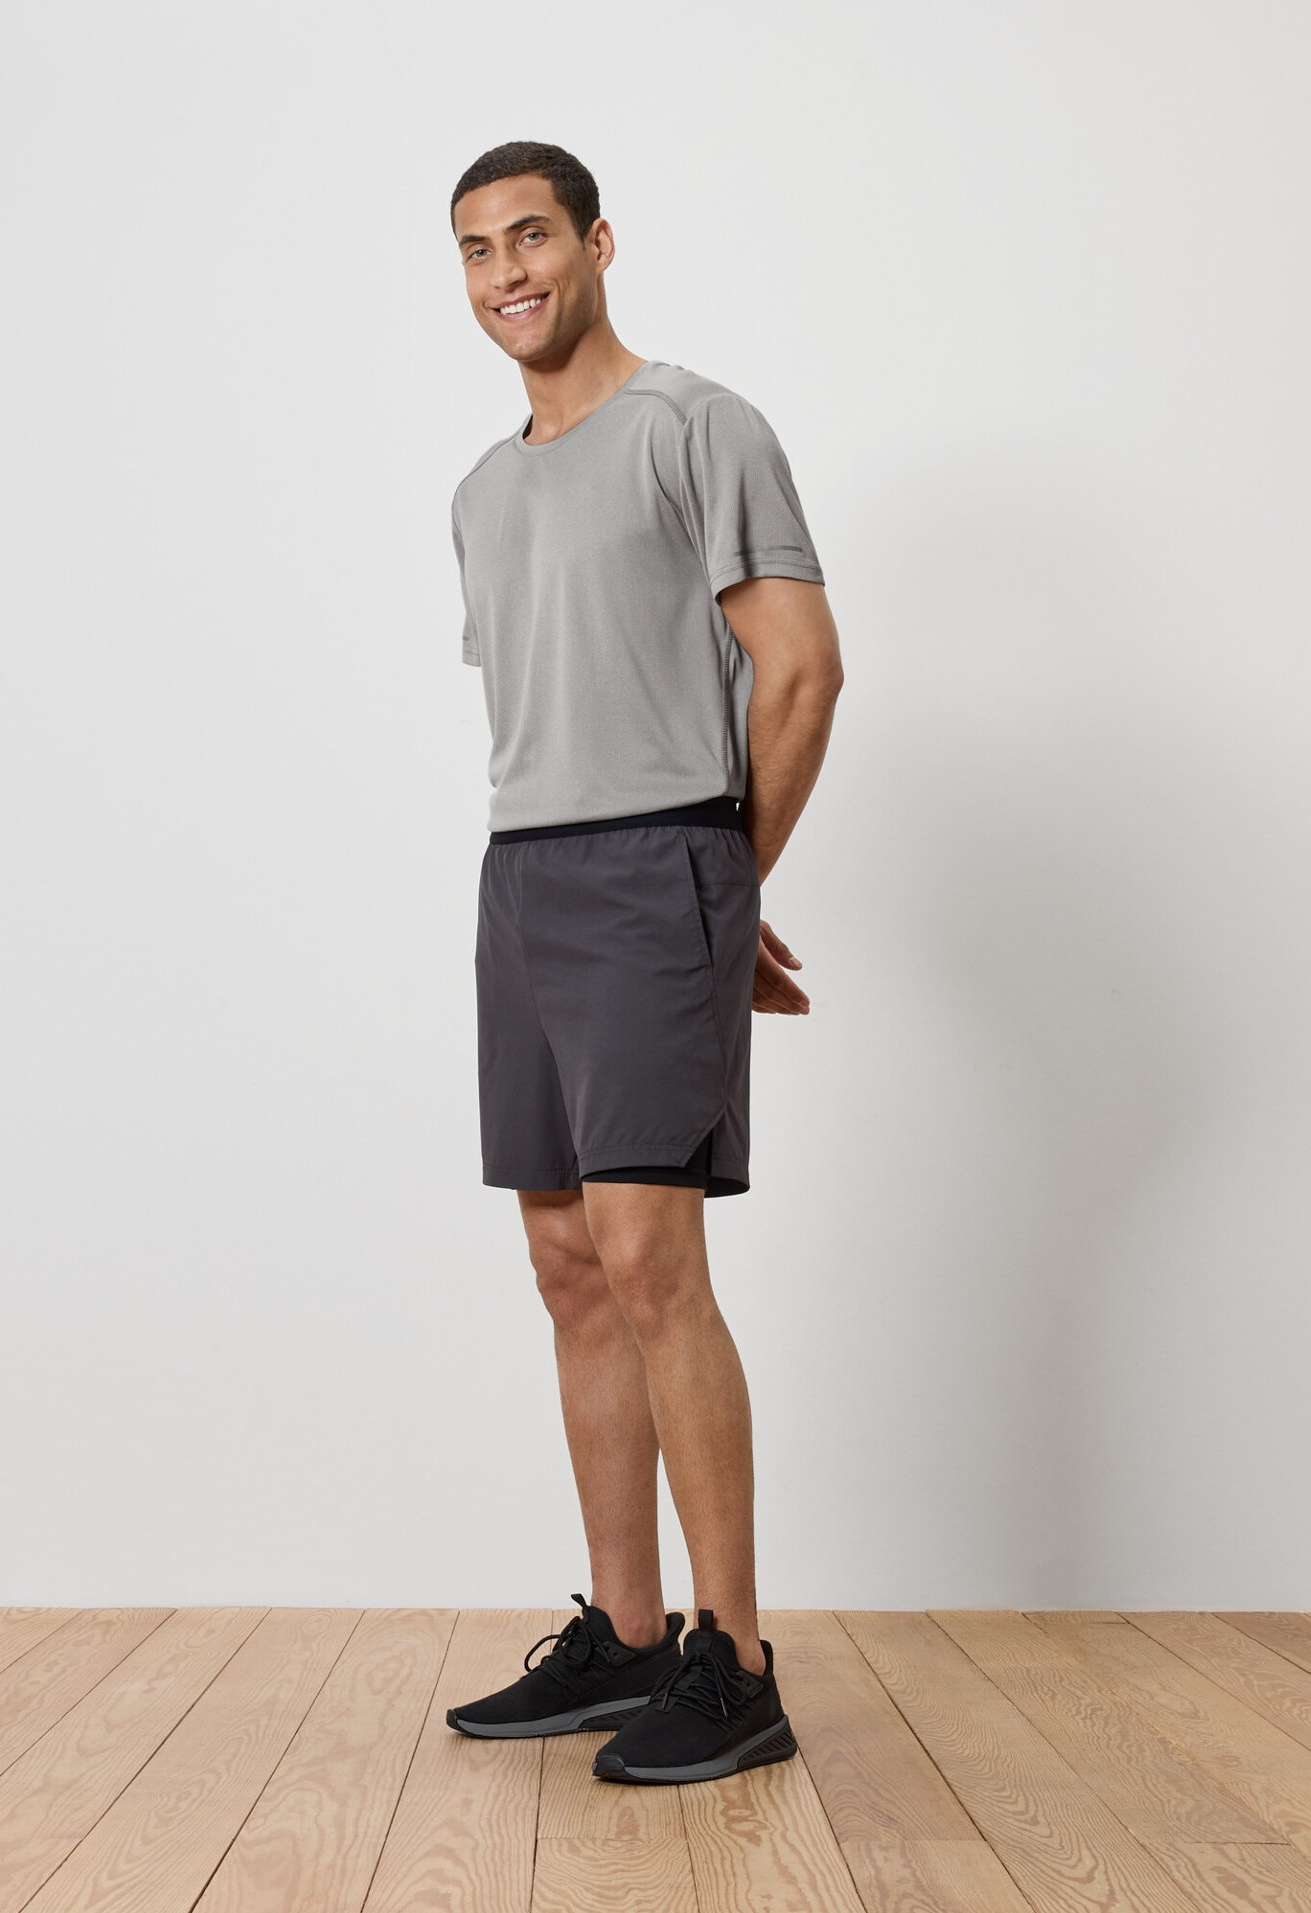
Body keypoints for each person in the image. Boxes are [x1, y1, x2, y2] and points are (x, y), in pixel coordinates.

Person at [436, 142, 845, 1786]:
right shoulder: (477, 487)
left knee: (649, 1254)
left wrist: (713, 890)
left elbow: (801, 670)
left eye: (529, 235)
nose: (504, 272)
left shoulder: (698, 428)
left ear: (596, 242)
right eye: (473, 250)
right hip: (522, 876)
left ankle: (734, 1664)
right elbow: (553, 694)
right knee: (562, 1257)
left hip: (655, 854)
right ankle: (621, 1631)